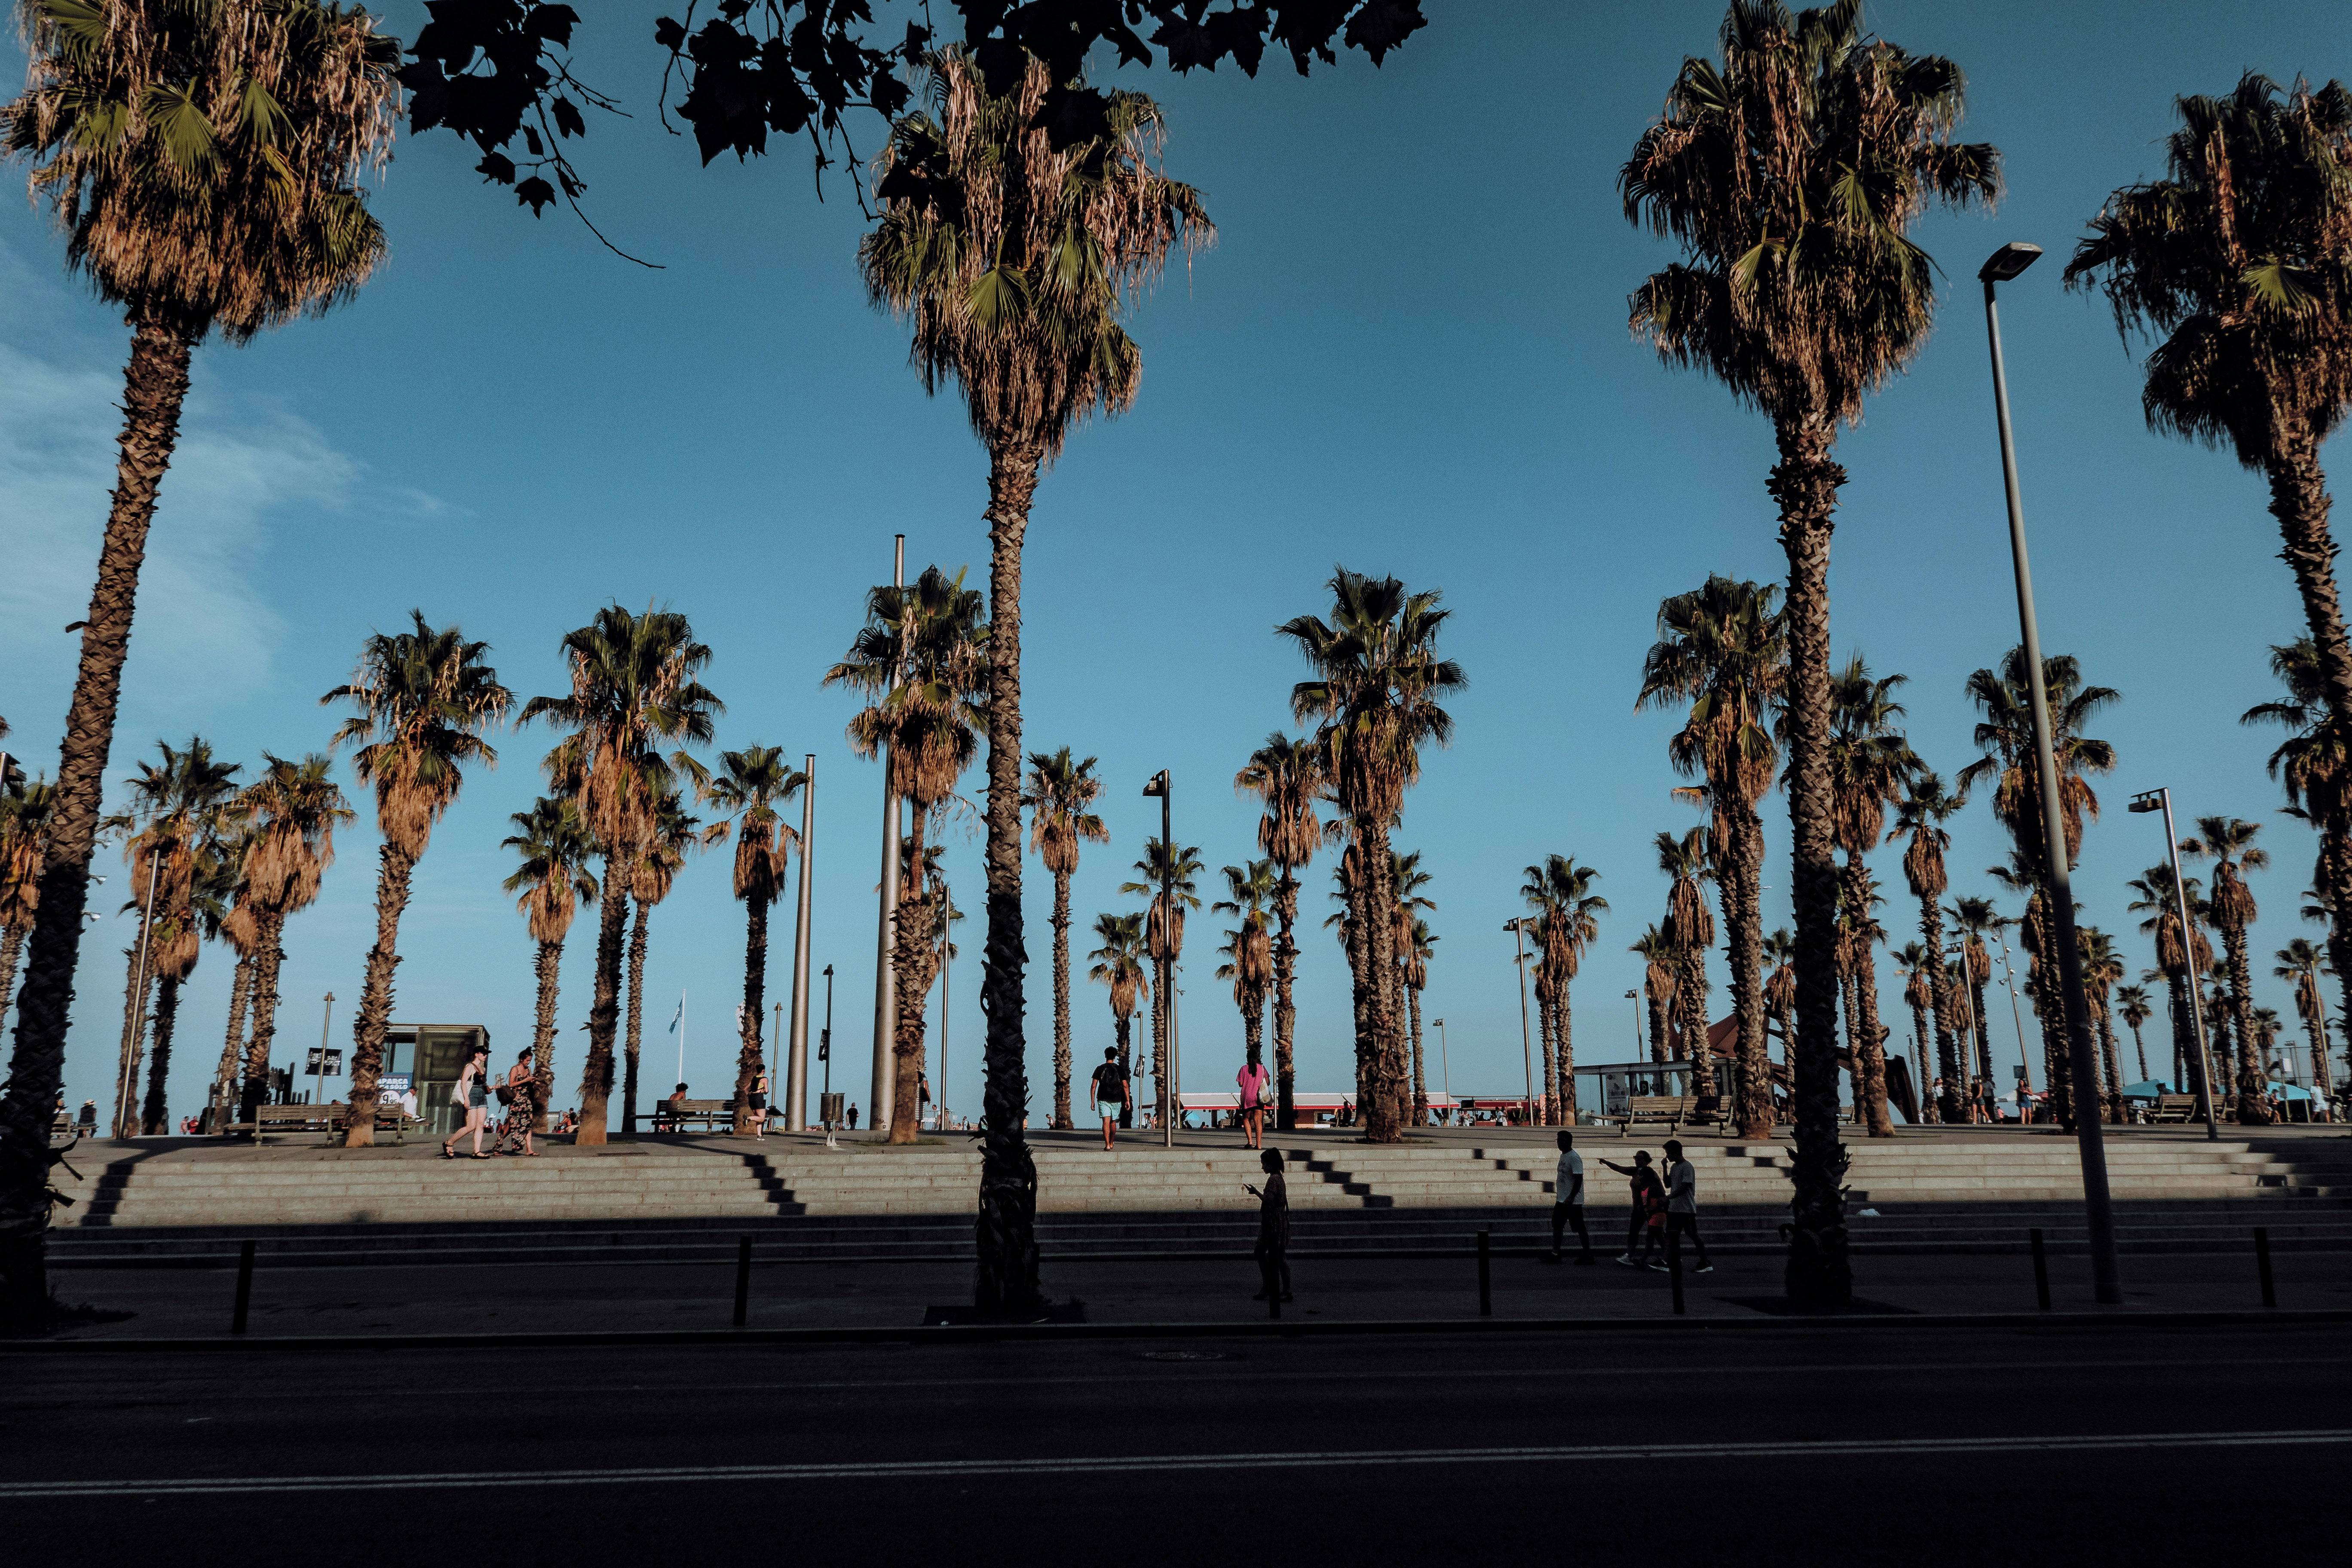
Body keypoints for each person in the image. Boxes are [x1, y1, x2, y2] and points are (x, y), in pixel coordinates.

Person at [1601, 1150, 1666, 1267]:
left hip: (1648, 1209)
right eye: (1635, 1158)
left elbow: (1661, 1191)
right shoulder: (1635, 1171)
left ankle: (1670, 1256)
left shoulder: (1650, 1173)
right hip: (1638, 1209)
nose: (1637, 1160)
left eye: (1640, 1158)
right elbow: (1619, 1168)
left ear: (1646, 1161)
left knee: (1658, 1234)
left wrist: (1654, 1206)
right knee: (1635, 1232)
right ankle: (1629, 1256)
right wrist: (1606, 1162)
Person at [1658, 1139, 1714, 1274]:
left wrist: (1668, 1198)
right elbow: (1668, 1184)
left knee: (1692, 1234)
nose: (1667, 1156)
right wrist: (1665, 1168)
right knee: (1670, 1234)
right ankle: (1665, 1261)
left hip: (1686, 1208)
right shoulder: (1674, 1167)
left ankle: (1705, 1262)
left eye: (1669, 1153)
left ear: (1676, 1152)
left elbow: (1685, 1187)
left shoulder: (1687, 1166)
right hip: (1674, 1208)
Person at [1246, 1148, 1292, 1304]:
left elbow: (1269, 1199)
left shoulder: (1273, 1179)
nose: (1262, 1167)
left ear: (1270, 1164)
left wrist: (1256, 1192)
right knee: (1277, 1256)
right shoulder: (1279, 1178)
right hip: (1277, 1221)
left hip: (1273, 1223)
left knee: (1271, 1254)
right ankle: (1276, 1287)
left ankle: (1276, 1288)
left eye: (1264, 1164)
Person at [1545, 1130, 1594, 1265]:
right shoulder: (1564, 1156)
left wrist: (1572, 1197)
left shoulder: (1574, 1158)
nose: (1559, 1143)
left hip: (1572, 1201)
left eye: (1562, 1140)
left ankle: (1588, 1254)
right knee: (1557, 1225)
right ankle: (1555, 1253)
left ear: (1569, 1142)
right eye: (1558, 1140)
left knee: (1580, 1227)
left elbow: (1579, 1179)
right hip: (1562, 1199)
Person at [441, 1044, 492, 1159]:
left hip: (481, 1095)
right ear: (477, 1054)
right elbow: (463, 1083)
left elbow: (481, 1084)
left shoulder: (482, 1068)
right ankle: (449, 1143)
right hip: (471, 1094)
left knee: (480, 1124)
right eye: (484, 1054)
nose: (485, 1056)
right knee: (471, 1126)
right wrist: (466, 1099)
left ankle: (477, 1151)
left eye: (486, 1054)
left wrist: (491, 1088)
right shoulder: (470, 1066)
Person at [491, 1047, 539, 1156]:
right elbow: (511, 1084)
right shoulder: (515, 1069)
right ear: (521, 1060)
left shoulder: (529, 1069)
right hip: (517, 1100)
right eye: (527, 1060)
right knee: (509, 1125)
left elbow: (528, 1084)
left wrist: (532, 1081)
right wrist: (525, 1080)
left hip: (526, 1100)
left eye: (530, 1061)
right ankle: (498, 1145)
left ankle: (529, 1149)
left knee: (528, 1124)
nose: (529, 1063)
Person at [1090, 1047, 1129, 1150]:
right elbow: (1125, 1085)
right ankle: (1111, 1142)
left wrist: (1092, 1101)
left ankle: (1107, 1144)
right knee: (1113, 1122)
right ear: (1115, 1057)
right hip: (1116, 1099)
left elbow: (1093, 1086)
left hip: (1103, 1098)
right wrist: (1128, 1100)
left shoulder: (1099, 1068)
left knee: (1106, 1122)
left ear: (1105, 1055)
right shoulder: (1120, 1069)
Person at [1235, 1056, 1270, 1150]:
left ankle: (1250, 1142)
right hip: (1258, 1098)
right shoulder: (1262, 1068)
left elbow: (1241, 1084)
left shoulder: (1243, 1069)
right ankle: (1259, 1145)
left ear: (1247, 1058)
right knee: (1258, 1121)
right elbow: (1268, 1082)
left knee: (1246, 1119)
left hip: (1247, 1097)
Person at [747, 1069, 770, 1137]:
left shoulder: (754, 1079)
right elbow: (767, 1091)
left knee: (758, 1118)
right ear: (763, 1071)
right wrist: (764, 1091)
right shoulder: (764, 1079)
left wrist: (749, 1096)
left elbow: (745, 1089)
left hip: (751, 1098)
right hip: (759, 1098)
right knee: (762, 1118)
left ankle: (759, 1135)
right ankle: (749, 1118)